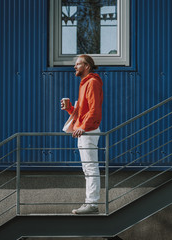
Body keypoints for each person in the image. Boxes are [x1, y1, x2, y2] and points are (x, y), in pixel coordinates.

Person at [61, 55, 103, 214]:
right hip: (85, 131)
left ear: (87, 66)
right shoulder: (85, 83)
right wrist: (70, 109)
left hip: (88, 131)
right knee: (87, 168)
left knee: (90, 167)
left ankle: (92, 204)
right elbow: (85, 112)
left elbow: (95, 110)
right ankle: (90, 203)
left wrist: (83, 127)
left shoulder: (92, 82)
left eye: (78, 64)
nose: (74, 67)